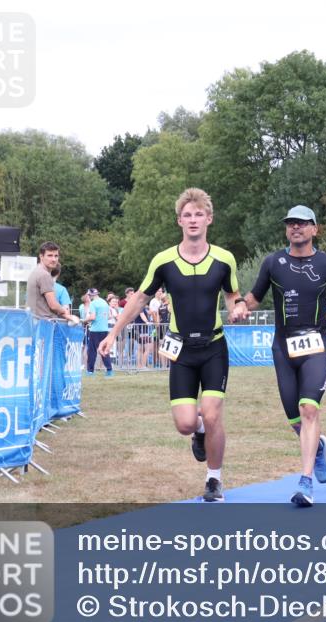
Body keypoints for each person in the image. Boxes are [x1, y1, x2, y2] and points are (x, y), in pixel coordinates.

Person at [99, 188, 248, 502]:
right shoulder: (163, 261)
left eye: (199, 214)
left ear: (209, 219)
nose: (193, 220)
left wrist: (237, 308)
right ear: (179, 220)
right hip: (180, 351)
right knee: (184, 424)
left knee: (211, 412)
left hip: (213, 347)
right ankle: (199, 433)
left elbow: (233, 295)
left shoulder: (224, 259)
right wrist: (113, 334)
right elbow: (139, 298)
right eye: (187, 215)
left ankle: (213, 479)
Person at [243, 205, 326, 507]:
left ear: (315, 229)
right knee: (295, 420)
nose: (296, 228)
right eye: (291, 224)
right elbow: (254, 297)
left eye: (303, 224)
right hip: (282, 349)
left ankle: (305, 483)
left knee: (309, 409)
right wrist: (241, 305)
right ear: (286, 230)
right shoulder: (272, 263)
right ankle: (318, 448)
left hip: (316, 346)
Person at [26, 241, 80, 324]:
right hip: (43, 324)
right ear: (41, 256)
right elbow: (53, 305)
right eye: (50, 255)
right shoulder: (44, 275)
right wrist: (65, 312)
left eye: (56, 256)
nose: (54, 259)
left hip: (34, 323)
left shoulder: (35, 271)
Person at [83, 288, 113, 377]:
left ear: (91, 295)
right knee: (104, 350)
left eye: (89, 295)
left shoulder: (93, 303)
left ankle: (90, 371)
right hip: (104, 329)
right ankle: (109, 370)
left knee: (92, 351)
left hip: (95, 330)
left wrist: (84, 320)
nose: (88, 296)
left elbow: (92, 317)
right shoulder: (104, 303)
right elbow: (109, 316)